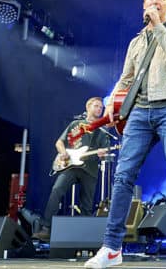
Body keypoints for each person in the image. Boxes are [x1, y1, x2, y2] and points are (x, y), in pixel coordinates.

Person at [85, 0, 166, 269]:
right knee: (123, 176)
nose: (154, 1)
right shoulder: (135, 42)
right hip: (140, 112)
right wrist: (112, 99)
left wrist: (158, 27)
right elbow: (127, 78)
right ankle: (112, 247)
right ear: (143, 4)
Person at [33, 97, 110, 240]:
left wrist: (102, 154)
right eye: (96, 106)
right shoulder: (76, 124)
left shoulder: (102, 132)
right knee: (57, 190)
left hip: (90, 170)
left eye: (101, 107)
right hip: (70, 165)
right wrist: (63, 153)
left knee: (86, 204)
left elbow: (104, 156)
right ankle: (46, 227)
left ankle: (84, 236)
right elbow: (59, 142)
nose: (99, 109)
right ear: (88, 107)